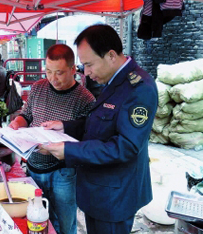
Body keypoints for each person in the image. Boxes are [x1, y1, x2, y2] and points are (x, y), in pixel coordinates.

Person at [40, 25, 158, 234]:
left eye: (89, 64)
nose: (86, 72)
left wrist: (69, 150)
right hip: (98, 190)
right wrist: (65, 127)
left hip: (115, 196)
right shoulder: (113, 81)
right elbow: (99, 123)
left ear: (111, 56)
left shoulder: (139, 88)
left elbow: (126, 146)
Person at [9, 44, 95, 234]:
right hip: (33, 167)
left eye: (59, 73)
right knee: (37, 220)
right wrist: (18, 123)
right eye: (48, 71)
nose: (52, 78)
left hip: (63, 173)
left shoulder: (85, 98)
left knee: (65, 223)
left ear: (73, 70)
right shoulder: (38, 88)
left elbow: (87, 137)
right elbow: (27, 115)